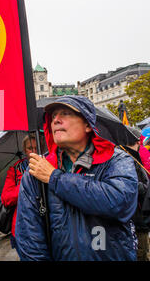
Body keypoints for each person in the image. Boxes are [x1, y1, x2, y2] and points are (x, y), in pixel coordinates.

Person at [16, 95, 138, 261]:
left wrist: (55, 178)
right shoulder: (36, 170)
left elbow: (120, 203)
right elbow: (30, 240)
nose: (56, 120)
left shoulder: (116, 160)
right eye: (52, 117)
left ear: (88, 124)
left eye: (65, 113)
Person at [1, 134, 37, 251]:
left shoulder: (50, 165)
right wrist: (26, 184)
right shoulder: (16, 170)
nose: (34, 151)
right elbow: (6, 199)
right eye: (30, 148)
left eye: (37, 148)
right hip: (23, 228)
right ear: (24, 150)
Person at [119, 134, 150, 261]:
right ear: (137, 142)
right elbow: (130, 184)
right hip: (136, 216)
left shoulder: (134, 157)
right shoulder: (126, 158)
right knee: (141, 251)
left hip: (138, 215)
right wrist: (146, 187)